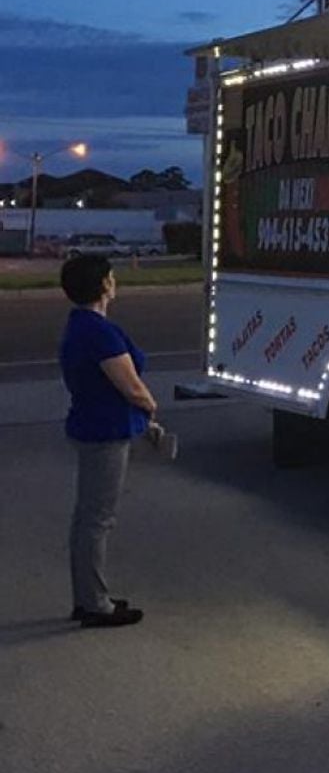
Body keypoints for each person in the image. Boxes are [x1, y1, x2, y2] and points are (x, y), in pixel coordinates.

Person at [58, 254, 157, 628]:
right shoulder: (99, 333)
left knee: (87, 517)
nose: (115, 282)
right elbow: (130, 385)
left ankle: (87, 596)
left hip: (89, 425)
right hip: (105, 432)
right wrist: (150, 405)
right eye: (111, 277)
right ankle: (95, 605)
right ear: (103, 285)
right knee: (97, 520)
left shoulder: (80, 326)